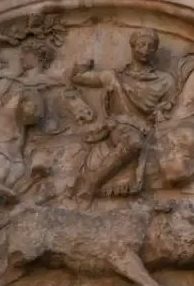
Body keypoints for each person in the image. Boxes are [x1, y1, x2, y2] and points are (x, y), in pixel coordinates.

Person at [70, 29, 178, 202]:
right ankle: (90, 183)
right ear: (133, 46)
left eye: (151, 46)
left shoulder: (166, 80)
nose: (146, 50)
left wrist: (161, 112)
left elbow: (170, 105)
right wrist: (84, 60)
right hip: (122, 126)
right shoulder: (113, 76)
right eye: (142, 44)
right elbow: (78, 78)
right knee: (133, 142)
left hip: (150, 128)